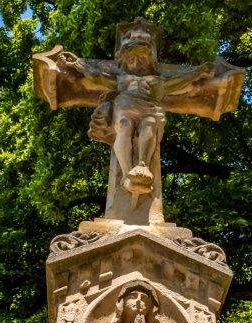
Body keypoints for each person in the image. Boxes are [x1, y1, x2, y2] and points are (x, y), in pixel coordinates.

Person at [57, 18, 214, 199]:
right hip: (125, 106)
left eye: (142, 58)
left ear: (149, 60)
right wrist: (77, 63)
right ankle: (126, 174)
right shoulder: (122, 79)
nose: (137, 62)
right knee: (124, 125)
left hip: (149, 107)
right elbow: (97, 76)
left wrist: (199, 71)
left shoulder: (155, 81)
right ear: (126, 61)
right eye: (132, 59)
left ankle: (142, 165)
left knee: (149, 124)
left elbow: (179, 81)